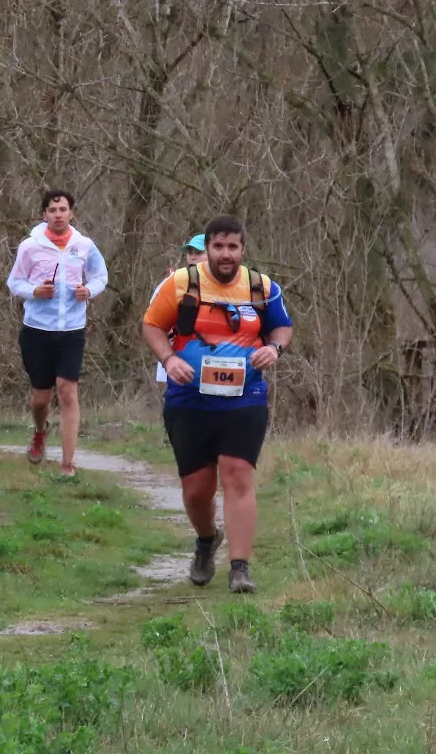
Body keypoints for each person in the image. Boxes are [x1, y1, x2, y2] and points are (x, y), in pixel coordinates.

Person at [142, 215, 292, 593]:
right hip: (189, 398)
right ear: (206, 248)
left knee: (238, 473)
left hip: (246, 397)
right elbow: (152, 325)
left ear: (243, 250)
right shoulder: (181, 284)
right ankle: (207, 540)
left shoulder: (262, 288)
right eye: (219, 247)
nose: (226, 254)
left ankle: (240, 568)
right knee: (197, 489)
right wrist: (169, 359)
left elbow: (282, 327)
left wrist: (274, 349)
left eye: (233, 247)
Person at [7, 189, 109, 476]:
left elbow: (101, 276)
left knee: (67, 392)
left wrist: (89, 290)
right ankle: (40, 431)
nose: (58, 215)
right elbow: (15, 283)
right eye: (52, 210)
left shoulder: (84, 245)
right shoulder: (30, 246)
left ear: (71, 213)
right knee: (41, 398)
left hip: (72, 331)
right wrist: (35, 291)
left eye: (63, 209)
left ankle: (68, 464)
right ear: (44, 215)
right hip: (37, 330)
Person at [155, 234, 207, 385]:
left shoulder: (226, 286)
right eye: (190, 253)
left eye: (198, 253)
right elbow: (152, 322)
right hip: (177, 358)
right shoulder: (172, 282)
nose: (192, 257)